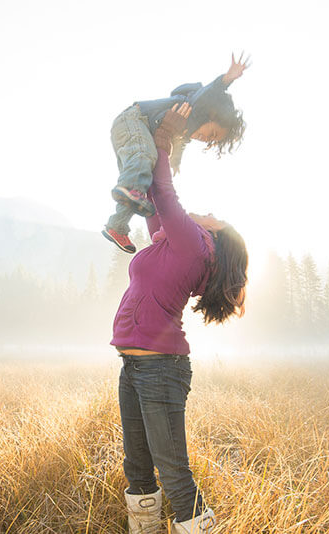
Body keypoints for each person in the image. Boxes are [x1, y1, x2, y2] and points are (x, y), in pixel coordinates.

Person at [115, 104, 248, 534]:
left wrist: (164, 139)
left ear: (214, 234)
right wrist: (155, 151)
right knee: (137, 467)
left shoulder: (196, 245)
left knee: (174, 474)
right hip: (134, 366)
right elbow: (156, 201)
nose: (205, 211)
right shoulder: (176, 241)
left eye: (213, 216)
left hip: (160, 368)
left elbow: (166, 195)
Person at [102, 53, 250, 254]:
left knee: (138, 184)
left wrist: (176, 161)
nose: (208, 139)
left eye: (213, 141)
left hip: (131, 133)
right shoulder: (193, 106)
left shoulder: (184, 130)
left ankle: (117, 226)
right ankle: (128, 191)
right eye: (212, 133)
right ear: (212, 114)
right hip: (134, 120)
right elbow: (208, 93)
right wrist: (226, 79)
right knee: (144, 159)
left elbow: (181, 144)